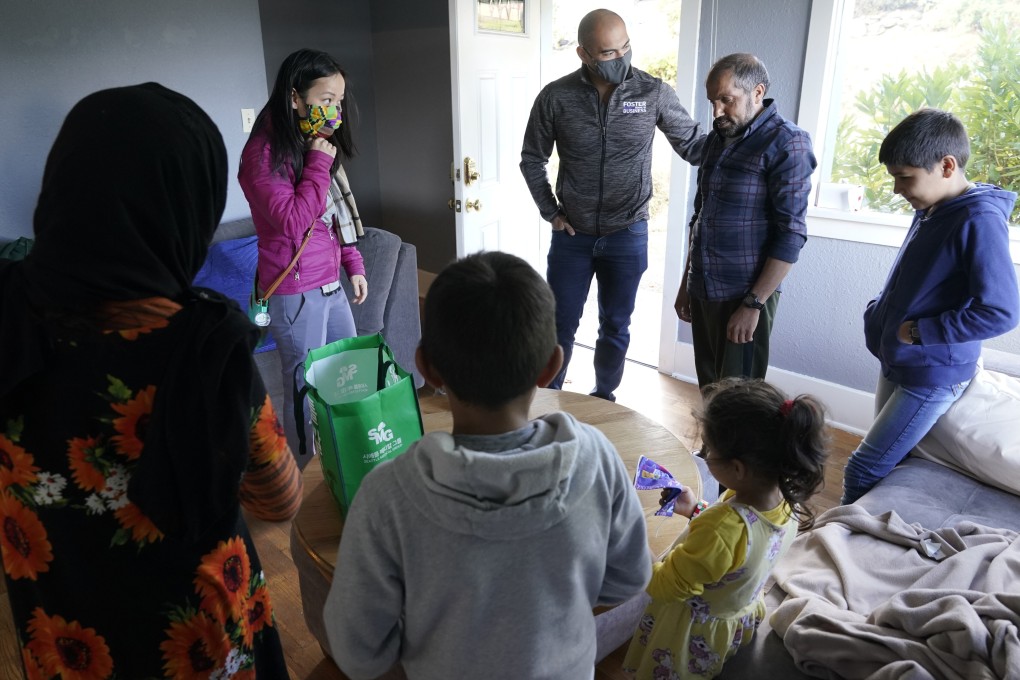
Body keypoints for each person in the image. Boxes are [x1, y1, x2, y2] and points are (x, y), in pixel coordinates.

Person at [0, 84, 302, 679]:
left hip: (63, 639)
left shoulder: (7, 309)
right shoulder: (206, 348)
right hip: (195, 644)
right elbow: (279, 498)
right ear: (189, 206)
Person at [323, 251, 651, 679]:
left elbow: (357, 651)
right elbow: (631, 577)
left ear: (426, 369)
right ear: (552, 365)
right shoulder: (598, 458)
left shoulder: (387, 495)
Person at [520, 8, 705, 402]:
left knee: (616, 325)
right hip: (573, 236)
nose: (620, 58)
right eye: (608, 52)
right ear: (583, 53)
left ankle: (604, 398)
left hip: (628, 233)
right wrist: (550, 211)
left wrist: (743, 129)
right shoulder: (557, 96)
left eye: (625, 47)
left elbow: (695, 146)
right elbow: (532, 158)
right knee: (559, 325)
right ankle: (548, 402)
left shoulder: (652, 92)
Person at [841, 108, 1020, 504]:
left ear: (946, 165)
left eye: (904, 177)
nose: (896, 189)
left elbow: (1003, 309)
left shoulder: (979, 219)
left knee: (864, 467)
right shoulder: (932, 208)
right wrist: (879, 312)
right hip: (901, 358)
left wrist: (923, 332)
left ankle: (828, 547)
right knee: (889, 457)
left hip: (932, 371)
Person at [622, 378, 829, 679]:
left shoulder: (722, 530)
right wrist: (697, 511)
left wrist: (634, 544)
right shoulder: (786, 498)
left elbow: (664, 587)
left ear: (738, 469)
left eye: (709, 450)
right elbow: (739, 553)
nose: (705, 455)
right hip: (733, 616)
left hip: (689, 633)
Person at [239, 48, 368, 466]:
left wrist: (353, 265)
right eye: (326, 99)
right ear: (295, 97)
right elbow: (294, 222)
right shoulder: (262, 155)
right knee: (305, 389)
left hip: (331, 285)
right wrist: (317, 162)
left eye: (339, 100)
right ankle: (304, 471)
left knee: (348, 376)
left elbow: (332, 218)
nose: (335, 110)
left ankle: (344, 457)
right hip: (295, 292)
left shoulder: (312, 143)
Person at [675, 53, 816, 389]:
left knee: (740, 395)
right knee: (709, 385)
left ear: (757, 92)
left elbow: (791, 234)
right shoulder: (715, 140)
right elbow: (701, 218)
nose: (717, 112)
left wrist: (753, 304)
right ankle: (711, 444)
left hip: (745, 294)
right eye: (713, 101)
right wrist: (686, 283)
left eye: (727, 100)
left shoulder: (788, 142)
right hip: (704, 286)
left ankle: (736, 445)